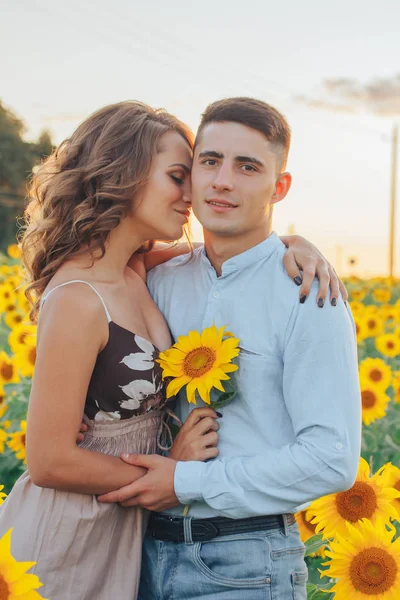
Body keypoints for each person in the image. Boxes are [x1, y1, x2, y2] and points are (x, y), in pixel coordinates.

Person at [0, 100, 342, 600]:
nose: (197, 191)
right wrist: (174, 473)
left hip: (154, 537)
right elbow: (48, 457)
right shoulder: (86, 293)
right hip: (73, 530)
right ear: (126, 174)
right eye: (183, 174)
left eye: (245, 167)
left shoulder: (141, 271)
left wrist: (294, 241)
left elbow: (239, 248)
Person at [98, 98, 362, 600]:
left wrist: (189, 482)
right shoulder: (154, 280)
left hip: (248, 561)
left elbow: (332, 458)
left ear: (278, 187)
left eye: (248, 167)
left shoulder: (308, 293)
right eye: (210, 161)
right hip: (136, 553)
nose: (222, 181)